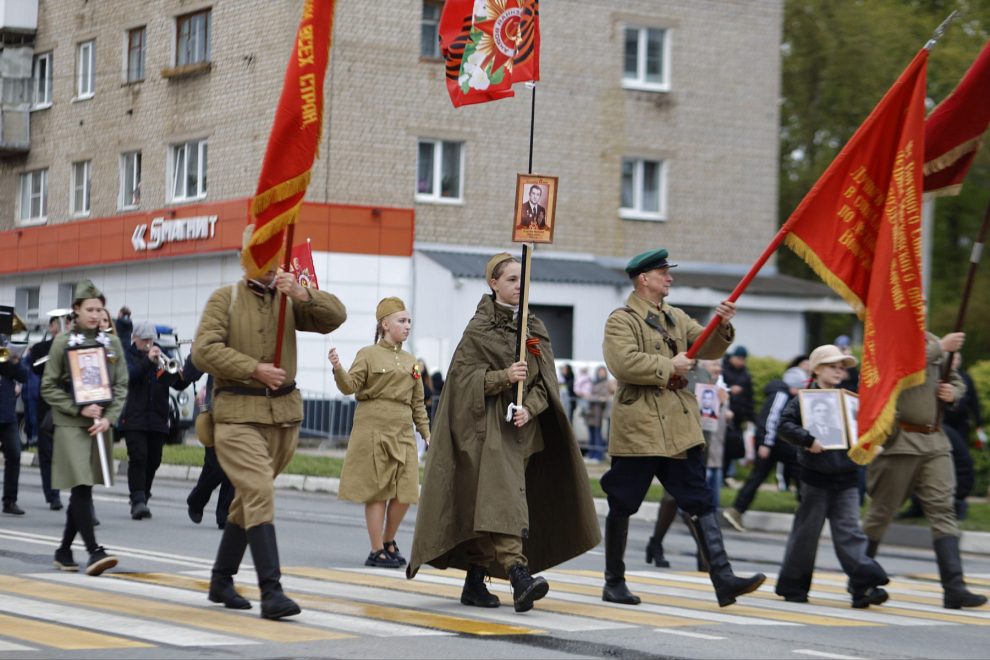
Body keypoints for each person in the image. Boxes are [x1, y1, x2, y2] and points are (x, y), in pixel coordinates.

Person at [407, 252, 600, 614]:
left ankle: (476, 579)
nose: (518, 287)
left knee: (492, 503)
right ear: (493, 284)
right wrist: (503, 378)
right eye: (511, 280)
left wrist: (531, 407)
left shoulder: (533, 330)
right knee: (503, 500)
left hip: (520, 433)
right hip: (484, 433)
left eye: (522, 281)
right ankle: (518, 575)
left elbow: (546, 384)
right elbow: (463, 383)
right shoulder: (478, 330)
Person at [193, 233, 346, 620]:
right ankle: (271, 591)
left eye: (276, 254)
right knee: (259, 491)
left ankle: (220, 580)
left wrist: (303, 293)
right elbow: (203, 350)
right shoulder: (223, 298)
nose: (272, 261)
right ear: (246, 258)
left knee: (249, 499)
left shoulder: (289, 296)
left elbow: (336, 317)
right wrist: (253, 369)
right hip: (237, 415)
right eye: (262, 254)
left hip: (283, 417)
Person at [600, 247, 764, 607]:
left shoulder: (675, 317)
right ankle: (614, 581)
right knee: (623, 502)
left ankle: (723, 579)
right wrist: (668, 365)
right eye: (663, 273)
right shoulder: (622, 319)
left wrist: (721, 324)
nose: (669, 277)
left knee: (700, 500)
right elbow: (622, 363)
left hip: (676, 426)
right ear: (644, 279)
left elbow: (706, 346)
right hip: (640, 427)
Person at [862, 331, 987, 610]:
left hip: (934, 441)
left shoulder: (932, 342)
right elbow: (901, 366)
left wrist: (954, 392)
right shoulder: (890, 334)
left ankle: (954, 588)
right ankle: (861, 582)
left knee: (944, 510)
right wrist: (941, 348)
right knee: (881, 513)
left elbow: (953, 378)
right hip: (900, 441)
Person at [775, 344, 889, 608]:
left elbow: (861, 430)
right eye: (832, 366)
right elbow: (784, 426)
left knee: (850, 532)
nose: (838, 372)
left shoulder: (849, 400)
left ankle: (864, 587)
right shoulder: (803, 399)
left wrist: (871, 443)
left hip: (848, 476)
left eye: (841, 368)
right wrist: (807, 439)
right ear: (816, 369)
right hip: (815, 477)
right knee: (806, 534)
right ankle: (793, 587)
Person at [330, 297, 430, 569]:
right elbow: (349, 386)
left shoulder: (411, 362)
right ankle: (376, 550)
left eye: (409, 321)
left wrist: (426, 432)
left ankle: (389, 541)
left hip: (402, 430)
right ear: (385, 324)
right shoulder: (368, 354)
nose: (407, 325)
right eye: (402, 320)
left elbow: (417, 402)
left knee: (407, 491)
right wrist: (338, 368)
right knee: (378, 491)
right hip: (373, 427)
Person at [41, 280, 128, 575]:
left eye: (99, 309)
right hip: (70, 424)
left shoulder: (112, 344)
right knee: (81, 486)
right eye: (89, 309)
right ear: (75, 310)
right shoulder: (62, 343)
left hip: (99, 425)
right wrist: (78, 407)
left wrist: (109, 417)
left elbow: (121, 385)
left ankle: (64, 551)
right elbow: (48, 387)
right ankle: (94, 551)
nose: (95, 314)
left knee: (84, 487)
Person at [119, 322, 194, 520]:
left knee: (154, 460)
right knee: (138, 458)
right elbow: (129, 378)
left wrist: (188, 367)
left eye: (151, 339)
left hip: (158, 418)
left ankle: (143, 495)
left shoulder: (162, 357)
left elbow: (178, 384)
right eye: (144, 339)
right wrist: (148, 362)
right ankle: (137, 500)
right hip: (135, 417)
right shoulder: (128, 355)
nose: (148, 343)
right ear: (135, 338)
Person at [723, 366, 805, 532]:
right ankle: (804, 509)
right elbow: (770, 420)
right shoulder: (781, 395)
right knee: (798, 469)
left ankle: (737, 510)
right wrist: (765, 443)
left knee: (757, 477)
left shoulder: (782, 393)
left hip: (773, 444)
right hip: (772, 444)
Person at [28, 311, 71, 511]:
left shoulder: (74, 345)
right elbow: (35, 368)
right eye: (61, 322)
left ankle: (67, 492)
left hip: (69, 406)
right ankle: (52, 495)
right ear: (52, 326)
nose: (65, 325)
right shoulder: (40, 348)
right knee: (47, 454)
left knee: (64, 453)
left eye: (68, 322)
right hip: (47, 407)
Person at [1, 345, 28, 515]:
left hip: (7, 415)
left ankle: (10, 501)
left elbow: (23, 376)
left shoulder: (5, 349)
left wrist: (16, 362)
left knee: (14, 454)